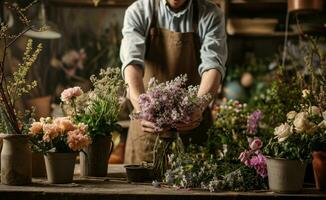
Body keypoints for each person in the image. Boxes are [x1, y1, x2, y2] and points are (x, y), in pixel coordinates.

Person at [120, 0, 227, 164]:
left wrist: (197, 106)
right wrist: (142, 109)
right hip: (149, 129)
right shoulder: (139, 11)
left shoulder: (210, 14)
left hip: (193, 126)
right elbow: (131, 64)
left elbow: (213, 67)